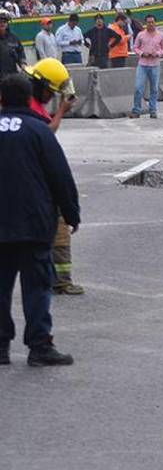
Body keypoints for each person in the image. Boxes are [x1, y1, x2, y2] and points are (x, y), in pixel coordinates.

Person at [0, 73, 81, 367]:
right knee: (37, 288)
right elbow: (60, 175)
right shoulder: (39, 130)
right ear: (28, 99)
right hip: (34, 225)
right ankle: (39, 346)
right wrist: (71, 213)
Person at [24, 59, 82, 295]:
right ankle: (61, 280)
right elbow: (47, 134)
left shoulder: (28, 101)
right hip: (35, 181)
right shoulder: (29, 107)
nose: (51, 97)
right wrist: (61, 111)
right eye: (50, 92)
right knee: (58, 226)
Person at [131, 14, 163, 119]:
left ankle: (153, 110)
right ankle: (136, 110)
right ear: (145, 23)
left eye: (152, 22)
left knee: (154, 89)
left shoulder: (161, 35)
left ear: (155, 23)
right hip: (142, 64)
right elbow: (135, 47)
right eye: (148, 22)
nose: (150, 24)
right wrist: (142, 53)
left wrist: (158, 53)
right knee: (138, 87)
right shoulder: (141, 35)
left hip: (155, 65)